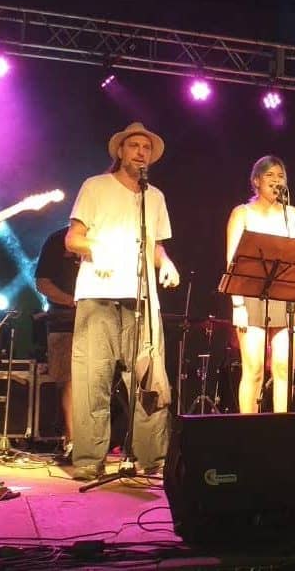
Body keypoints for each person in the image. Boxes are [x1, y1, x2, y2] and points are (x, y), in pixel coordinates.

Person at [65, 122, 180, 480]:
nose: (140, 152)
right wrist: (102, 250)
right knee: (92, 378)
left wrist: (167, 262)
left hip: (142, 298)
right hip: (98, 295)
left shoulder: (154, 196)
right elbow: (73, 239)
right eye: (134, 145)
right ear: (120, 151)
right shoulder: (95, 186)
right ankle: (88, 460)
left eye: (146, 147)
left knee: (147, 379)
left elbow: (156, 244)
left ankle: (152, 458)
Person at [225, 155, 295, 413]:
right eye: (270, 175)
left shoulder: (293, 215)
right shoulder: (242, 213)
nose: (276, 181)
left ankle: (280, 430)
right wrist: (237, 304)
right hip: (251, 296)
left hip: (286, 296)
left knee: (284, 368)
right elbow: (233, 261)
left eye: (280, 176)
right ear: (256, 181)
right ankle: (248, 431)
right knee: (253, 371)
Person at [34, 225, 80, 461]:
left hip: (102, 318)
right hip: (64, 320)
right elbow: (42, 282)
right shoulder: (57, 239)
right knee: (70, 380)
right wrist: (72, 302)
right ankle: (72, 441)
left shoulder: (108, 238)